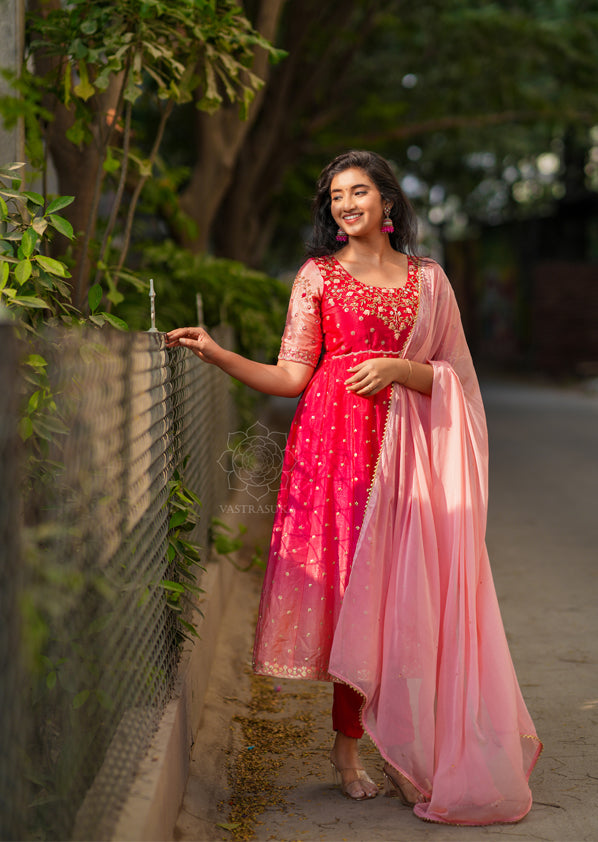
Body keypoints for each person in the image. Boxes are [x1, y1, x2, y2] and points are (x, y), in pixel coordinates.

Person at [166, 150, 542, 824]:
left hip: (407, 459)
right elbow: (290, 376)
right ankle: (348, 751)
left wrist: (401, 367)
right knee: (352, 602)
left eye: (359, 191)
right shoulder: (316, 277)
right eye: (336, 195)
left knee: (407, 600)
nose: (346, 203)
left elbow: (455, 377)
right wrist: (217, 354)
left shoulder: (430, 281)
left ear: (388, 204)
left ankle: (406, 743)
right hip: (330, 454)